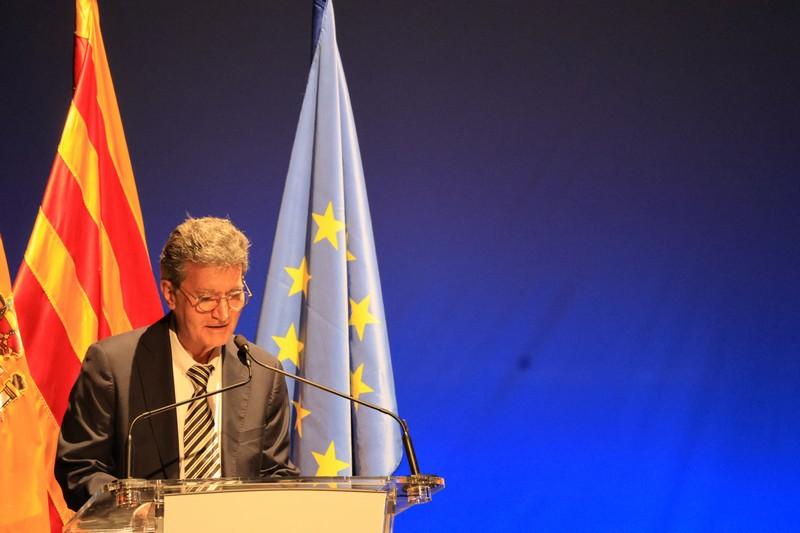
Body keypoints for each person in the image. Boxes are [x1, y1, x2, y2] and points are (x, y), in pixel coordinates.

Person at [55, 216, 297, 511]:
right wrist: (135, 509)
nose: (223, 314)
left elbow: (276, 475)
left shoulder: (261, 372)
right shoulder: (113, 366)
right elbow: (80, 468)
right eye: (206, 299)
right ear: (170, 294)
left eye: (234, 296)